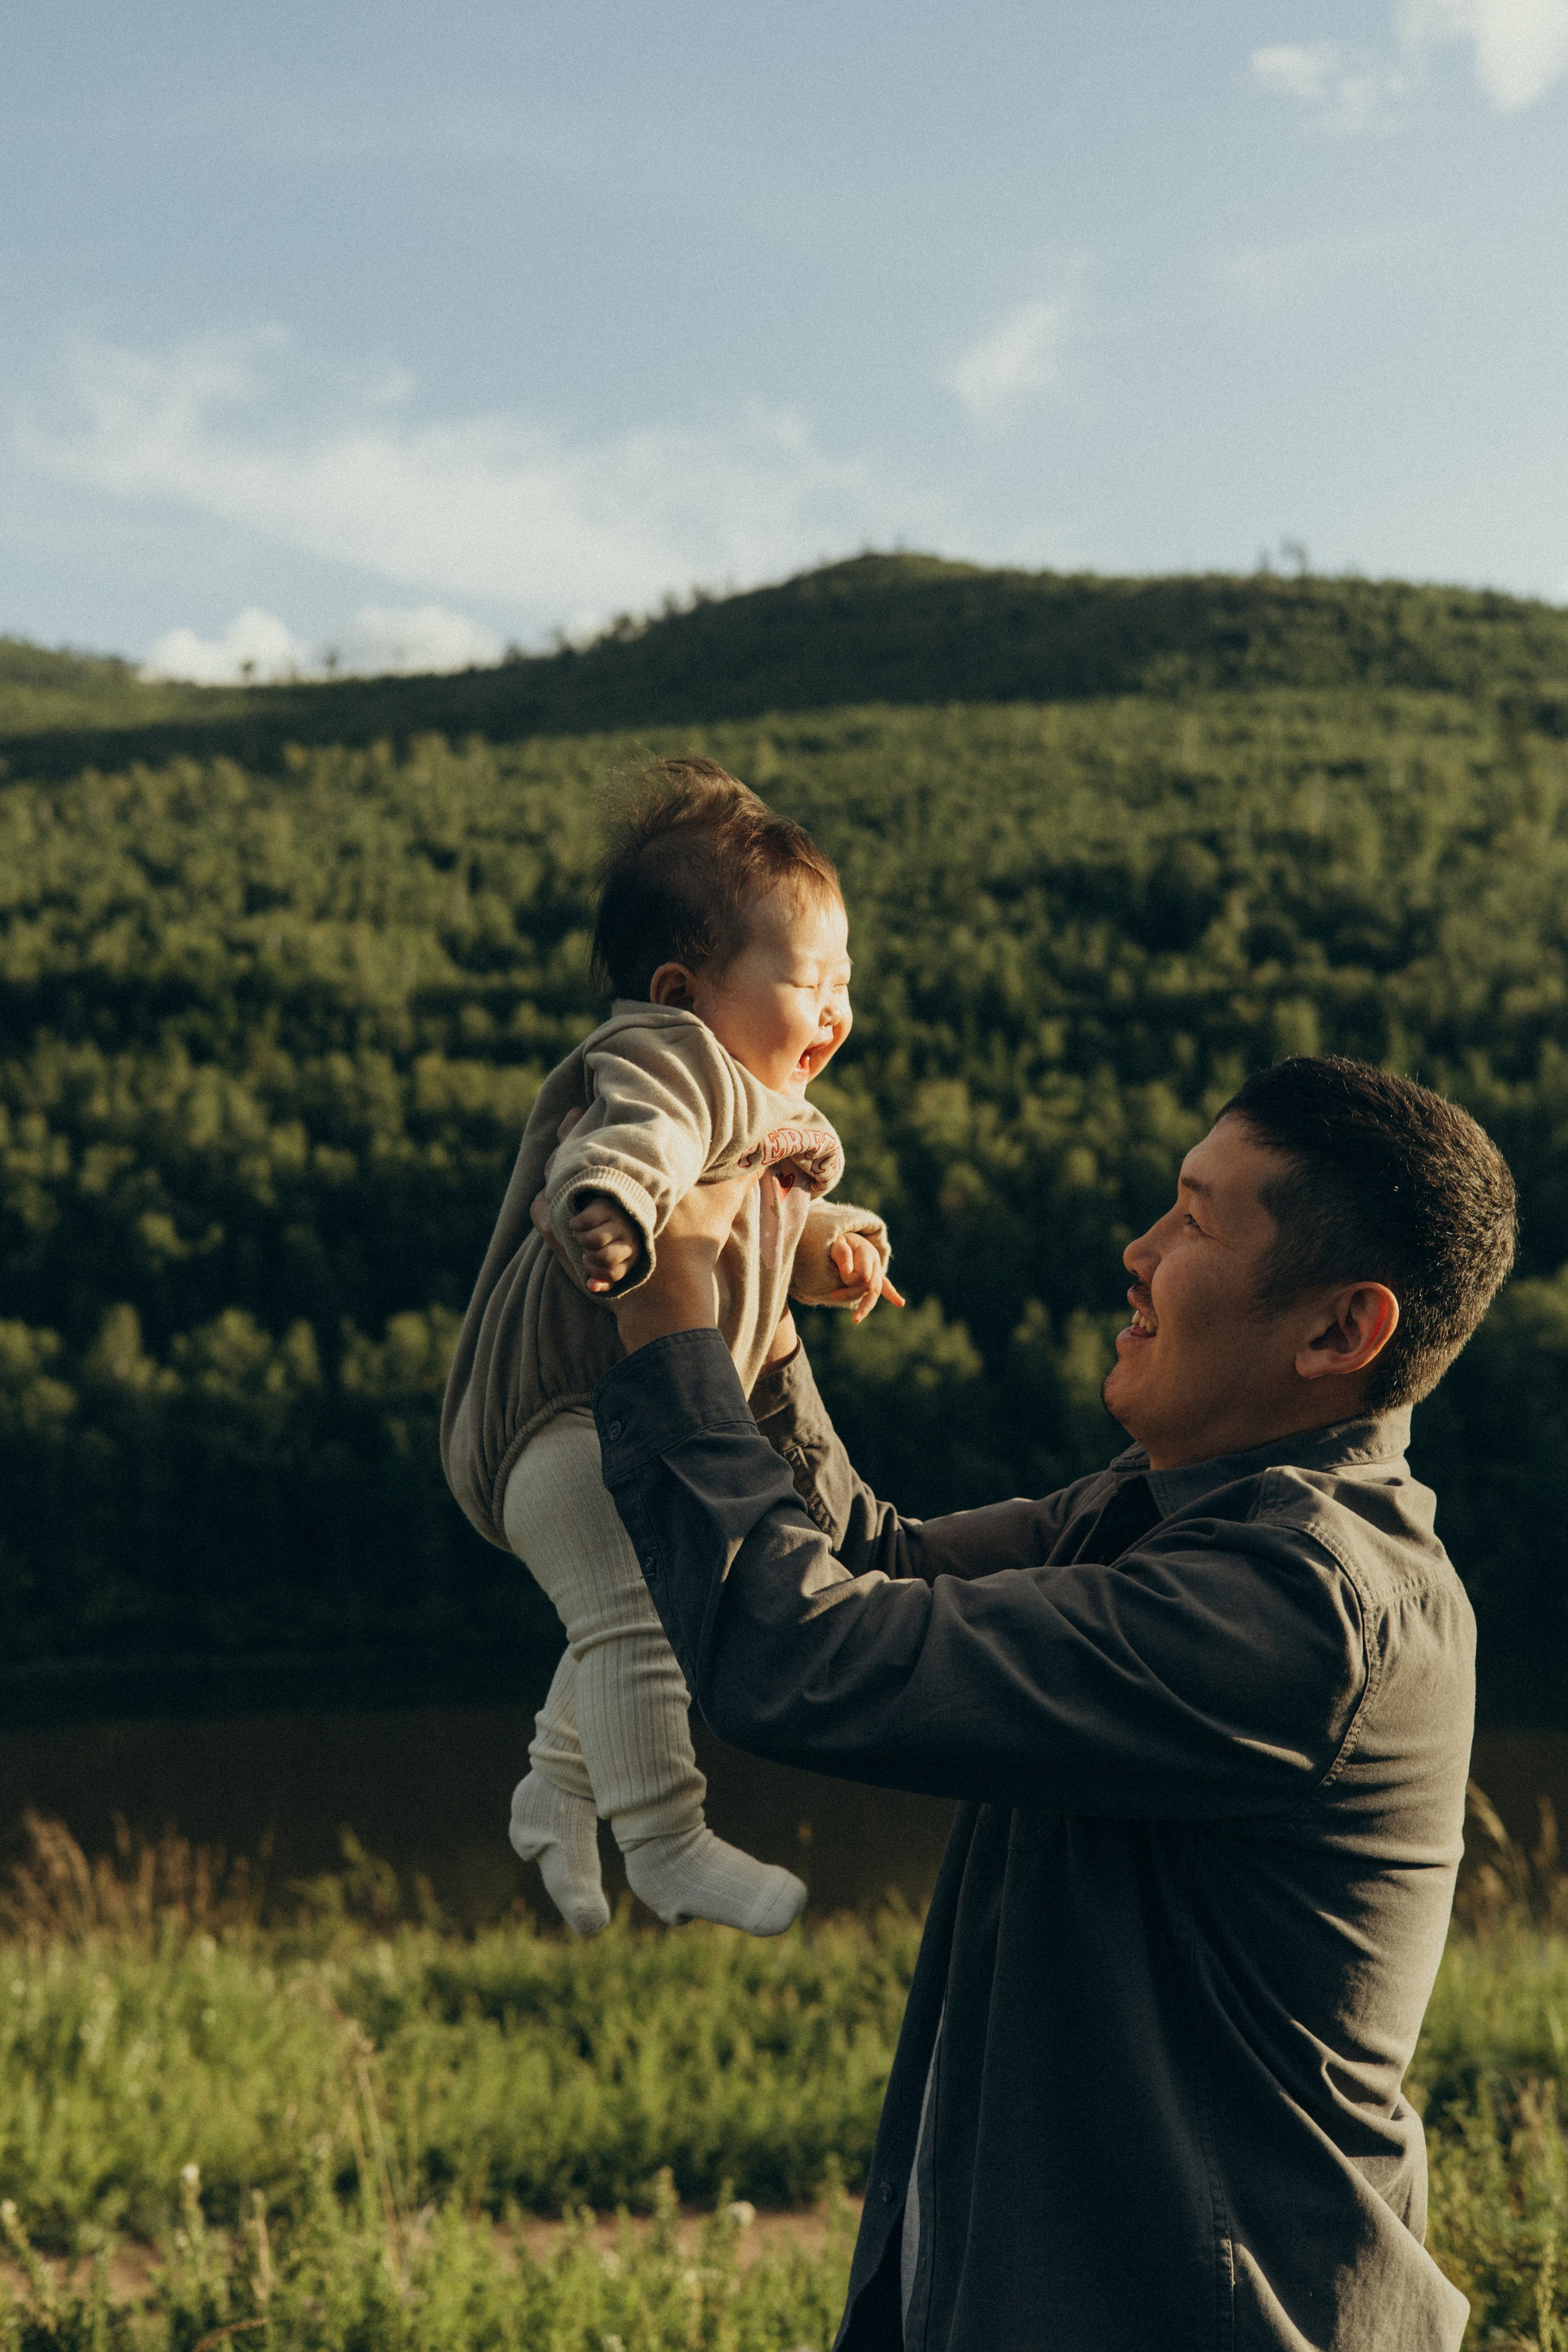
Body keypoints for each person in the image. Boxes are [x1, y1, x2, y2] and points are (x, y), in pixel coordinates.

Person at [565, 1054, 1515, 2349]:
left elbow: (801, 1658)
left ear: (1337, 1332)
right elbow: (870, 1572)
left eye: (1194, 1218)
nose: (1136, 1249)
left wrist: (667, 1327)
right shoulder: (1162, 1512)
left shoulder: (1298, 1607)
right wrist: (761, 1323)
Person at [441, 760, 901, 1939]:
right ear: (682, 989)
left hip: (616, 1429)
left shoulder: (773, 1116)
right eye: (810, 981)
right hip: (560, 1421)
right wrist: (609, 1207)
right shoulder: (668, 1059)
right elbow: (628, 1145)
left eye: (848, 982)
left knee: (634, 1598)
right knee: (639, 1620)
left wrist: (833, 1248)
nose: (838, 1009)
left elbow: (764, 1233)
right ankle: (667, 1841)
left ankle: (558, 1789)